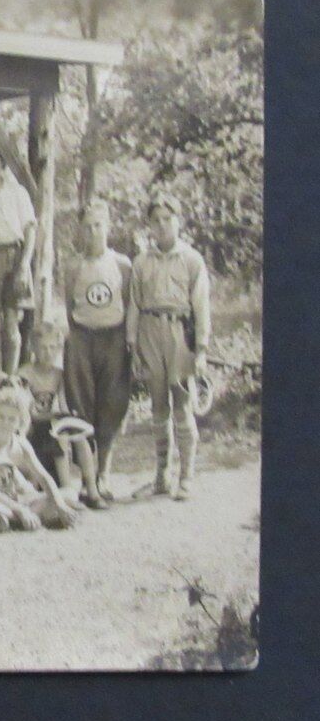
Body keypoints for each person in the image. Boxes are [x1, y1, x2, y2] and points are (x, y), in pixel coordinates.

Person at [127, 194, 211, 501]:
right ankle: (162, 473)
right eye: (156, 220)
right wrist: (133, 346)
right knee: (158, 405)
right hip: (150, 330)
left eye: (167, 219)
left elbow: (201, 306)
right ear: (149, 226)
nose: (162, 226)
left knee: (182, 402)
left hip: (180, 331)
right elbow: (135, 305)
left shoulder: (191, 260)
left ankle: (186, 475)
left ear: (178, 221)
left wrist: (201, 349)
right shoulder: (141, 261)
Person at [62, 199, 133, 501]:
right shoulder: (73, 265)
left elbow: (129, 304)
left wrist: (127, 340)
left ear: (108, 226)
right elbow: (69, 306)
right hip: (82, 338)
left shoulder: (122, 264)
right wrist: (78, 335)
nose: (94, 232)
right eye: (88, 226)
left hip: (114, 337)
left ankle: (103, 473)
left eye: (98, 225)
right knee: (82, 404)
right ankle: (85, 477)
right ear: (80, 230)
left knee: (112, 404)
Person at [0, 387, 79, 532]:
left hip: (18, 500)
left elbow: (43, 477)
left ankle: (12, 519)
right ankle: (23, 518)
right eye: (1, 416)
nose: (5, 423)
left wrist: (60, 506)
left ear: (20, 423)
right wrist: (20, 510)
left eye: (11, 419)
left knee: (70, 495)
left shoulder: (21, 444)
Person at [18, 324, 105, 510]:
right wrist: (56, 417)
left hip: (52, 423)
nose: (47, 353)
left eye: (52, 348)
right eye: (42, 348)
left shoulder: (60, 374)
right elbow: (27, 413)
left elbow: (64, 403)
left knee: (79, 434)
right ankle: (66, 489)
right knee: (60, 433)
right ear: (32, 348)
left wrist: (67, 418)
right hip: (33, 426)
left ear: (59, 349)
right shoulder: (25, 374)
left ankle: (91, 489)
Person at [0, 141, 37, 374]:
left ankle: (11, 376)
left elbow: (30, 229)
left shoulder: (17, 192)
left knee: (12, 322)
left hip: (14, 256)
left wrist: (23, 265)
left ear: (2, 167)